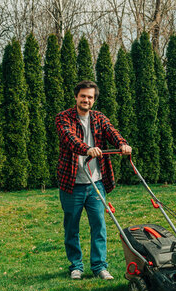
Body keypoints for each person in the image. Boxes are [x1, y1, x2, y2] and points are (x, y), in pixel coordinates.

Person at [55, 80, 132, 280]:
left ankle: (99, 267)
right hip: (72, 183)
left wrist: (122, 144)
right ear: (76, 97)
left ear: (94, 99)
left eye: (90, 97)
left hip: (95, 183)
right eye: (83, 96)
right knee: (72, 227)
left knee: (99, 225)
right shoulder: (63, 118)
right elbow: (69, 138)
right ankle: (76, 267)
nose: (86, 100)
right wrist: (86, 148)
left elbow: (112, 132)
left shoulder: (99, 118)